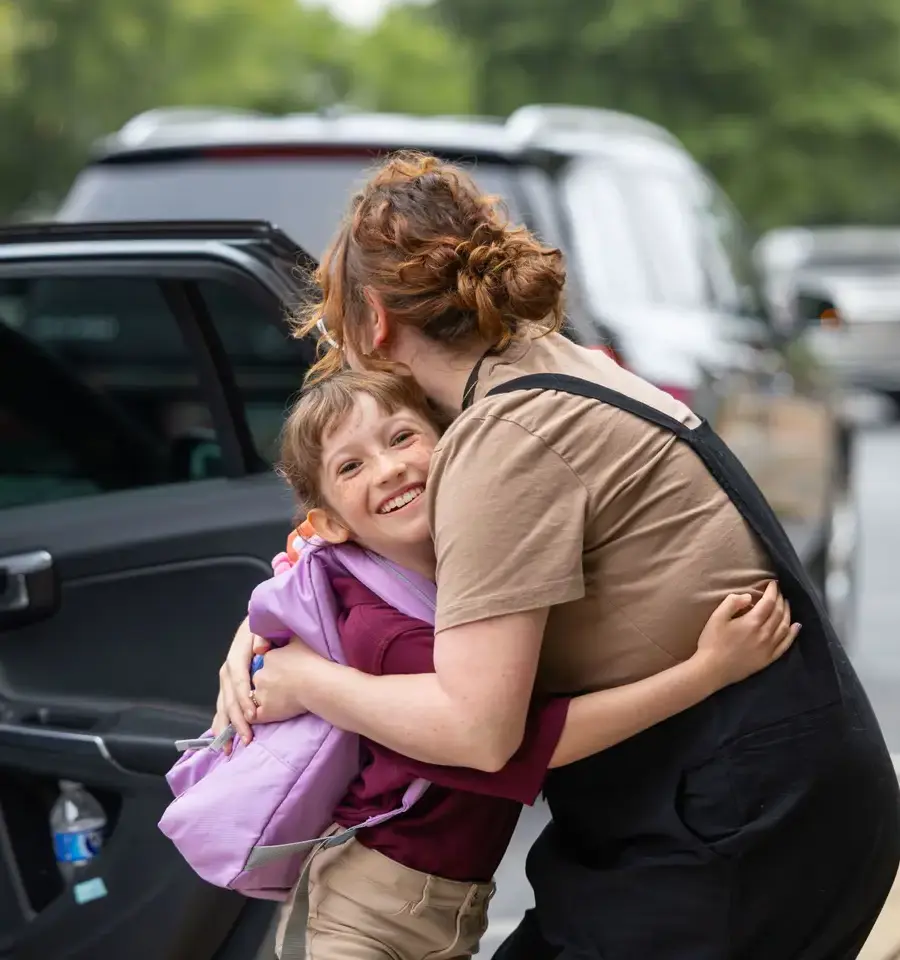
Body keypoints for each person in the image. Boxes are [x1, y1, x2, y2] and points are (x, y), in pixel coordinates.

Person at [217, 152, 900, 960]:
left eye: (336, 329)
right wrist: (263, 627)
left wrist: (306, 681)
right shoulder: (554, 363)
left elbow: (479, 733)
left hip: (737, 824)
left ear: (373, 319)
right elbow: (347, 550)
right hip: (762, 793)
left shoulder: (505, 436)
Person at [266, 368, 795, 959]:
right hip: (370, 914)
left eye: (401, 438)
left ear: (454, 442)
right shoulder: (387, 631)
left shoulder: (460, 574)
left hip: (439, 907)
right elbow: (523, 745)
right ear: (332, 524)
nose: (388, 468)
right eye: (351, 466)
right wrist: (705, 673)